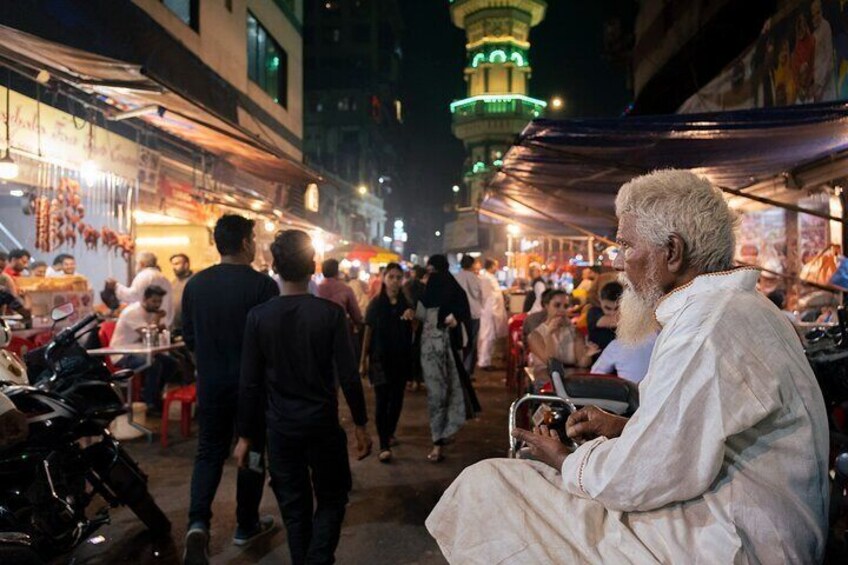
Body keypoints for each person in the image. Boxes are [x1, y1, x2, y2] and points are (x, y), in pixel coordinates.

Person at [426, 169, 829, 563]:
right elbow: (696, 435)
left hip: (734, 541)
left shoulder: (707, 326)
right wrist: (623, 428)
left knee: (488, 486)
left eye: (625, 246)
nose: (618, 262)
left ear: (671, 252)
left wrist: (568, 461)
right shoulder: (735, 309)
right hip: (742, 523)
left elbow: (654, 473)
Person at [235, 229, 371, 565]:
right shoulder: (329, 315)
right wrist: (361, 424)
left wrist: (246, 436)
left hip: (280, 430)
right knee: (333, 497)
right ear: (312, 266)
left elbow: (250, 384)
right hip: (322, 426)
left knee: (294, 510)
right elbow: (349, 375)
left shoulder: (258, 317)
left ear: (275, 267)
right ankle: (319, 558)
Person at [180, 215, 279, 565]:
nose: (256, 244)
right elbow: (271, 343)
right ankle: (246, 524)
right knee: (251, 451)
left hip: (211, 385)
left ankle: (197, 524)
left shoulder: (195, 285)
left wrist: (205, 365)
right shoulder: (263, 286)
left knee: (208, 452)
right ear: (244, 243)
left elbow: (188, 338)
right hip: (251, 389)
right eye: (253, 238)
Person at [417, 255, 472, 463]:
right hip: (430, 355)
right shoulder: (427, 294)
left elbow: (463, 317)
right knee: (437, 396)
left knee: (448, 394)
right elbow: (419, 319)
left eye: (433, 271)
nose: (431, 276)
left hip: (447, 355)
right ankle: (437, 439)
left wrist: (453, 320)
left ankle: (440, 437)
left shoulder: (455, 295)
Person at [360, 263, 415, 463]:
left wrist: (412, 318)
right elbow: (368, 332)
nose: (394, 281)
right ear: (384, 278)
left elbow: (415, 331)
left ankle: (389, 431)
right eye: (391, 277)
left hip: (400, 360)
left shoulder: (406, 304)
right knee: (382, 400)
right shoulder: (376, 304)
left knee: (397, 400)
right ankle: (383, 444)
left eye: (398, 277)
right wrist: (363, 361)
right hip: (379, 360)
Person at [110, 285, 181, 413]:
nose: (157, 305)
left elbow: (153, 339)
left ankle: (154, 395)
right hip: (121, 353)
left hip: (142, 351)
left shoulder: (152, 313)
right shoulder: (133, 312)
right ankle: (150, 403)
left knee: (172, 363)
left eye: (159, 301)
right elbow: (148, 334)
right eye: (154, 301)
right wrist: (157, 321)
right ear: (144, 299)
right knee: (154, 364)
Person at [527, 289, 597, 374]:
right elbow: (550, 362)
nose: (562, 310)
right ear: (546, 306)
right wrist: (549, 335)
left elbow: (582, 364)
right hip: (545, 380)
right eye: (557, 305)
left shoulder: (575, 332)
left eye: (566, 306)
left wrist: (587, 355)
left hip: (570, 379)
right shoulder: (535, 335)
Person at [106, 252, 174, 326]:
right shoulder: (164, 279)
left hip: (146, 323)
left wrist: (116, 286)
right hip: (164, 323)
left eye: (136, 263)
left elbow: (132, 296)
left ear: (142, 264)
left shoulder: (143, 276)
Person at [453, 256, 483, 377]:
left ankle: (458, 368)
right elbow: (481, 297)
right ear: (472, 265)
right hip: (474, 314)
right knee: (472, 342)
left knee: (460, 341)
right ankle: (467, 370)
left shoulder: (455, 278)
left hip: (459, 315)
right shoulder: (476, 279)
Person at [590, 333, 658, 384]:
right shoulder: (661, 340)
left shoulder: (617, 345)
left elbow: (595, 374)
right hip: (658, 398)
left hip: (629, 398)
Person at [477, 258, 507, 371]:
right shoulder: (486, 278)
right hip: (488, 312)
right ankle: (484, 362)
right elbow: (489, 296)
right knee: (487, 337)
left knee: (489, 337)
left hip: (491, 312)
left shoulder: (489, 277)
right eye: (496, 266)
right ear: (491, 266)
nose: (497, 268)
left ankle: (486, 360)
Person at [317, 259, 364, 328]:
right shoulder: (345, 289)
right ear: (337, 272)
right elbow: (356, 316)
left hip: (318, 329)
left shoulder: (316, 289)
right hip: (339, 330)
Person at [403, 265, 427, 391]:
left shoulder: (407, 285)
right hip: (421, 319)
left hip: (407, 319)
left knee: (408, 350)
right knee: (417, 350)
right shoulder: (425, 287)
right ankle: (417, 380)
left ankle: (409, 379)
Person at [586, 280, 622, 353]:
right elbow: (613, 321)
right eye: (607, 308)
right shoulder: (593, 312)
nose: (612, 313)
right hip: (599, 360)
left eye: (617, 308)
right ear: (600, 300)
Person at [169, 253, 194, 335]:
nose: (174, 267)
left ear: (186, 265)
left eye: (177, 264)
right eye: (172, 264)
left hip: (190, 327)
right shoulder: (173, 283)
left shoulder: (194, 282)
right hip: (175, 328)